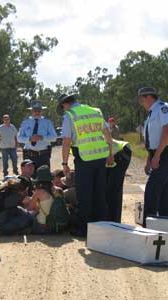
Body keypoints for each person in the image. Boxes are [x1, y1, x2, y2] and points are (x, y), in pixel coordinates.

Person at [57, 93, 114, 237]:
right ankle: (101, 227)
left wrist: (64, 163)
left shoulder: (70, 115)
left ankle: (83, 229)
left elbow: (66, 141)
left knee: (84, 195)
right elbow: (107, 133)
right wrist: (110, 153)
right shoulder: (95, 111)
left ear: (65, 104)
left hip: (84, 158)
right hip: (100, 157)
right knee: (99, 193)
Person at [137, 87, 168, 227]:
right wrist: (150, 159)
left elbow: (167, 131)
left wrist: (157, 156)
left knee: (152, 189)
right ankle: (167, 224)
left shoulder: (163, 108)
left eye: (142, 99)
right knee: (164, 192)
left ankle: (148, 226)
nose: (141, 102)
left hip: (166, 153)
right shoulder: (151, 113)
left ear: (149, 97)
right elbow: (153, 140)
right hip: (159, 153)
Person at [17, 100, 57, 174]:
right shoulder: (25, 122)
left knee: (44, 179)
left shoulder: (47, 122)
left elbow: (54, 137)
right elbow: (19, 138)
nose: (37, 112)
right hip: (29, 156)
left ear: (41, 111)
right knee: (29, 179)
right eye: (35, 110)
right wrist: (29, 139)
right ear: (31, 111)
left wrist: (42, 137)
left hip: (43, 156)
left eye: (39, 110)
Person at [105, 138, 132, 223]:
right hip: (119, 151)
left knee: (112, 189)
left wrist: (110, 154)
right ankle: (113, 221)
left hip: (119, 153)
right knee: (112, 189)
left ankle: (113, 222)